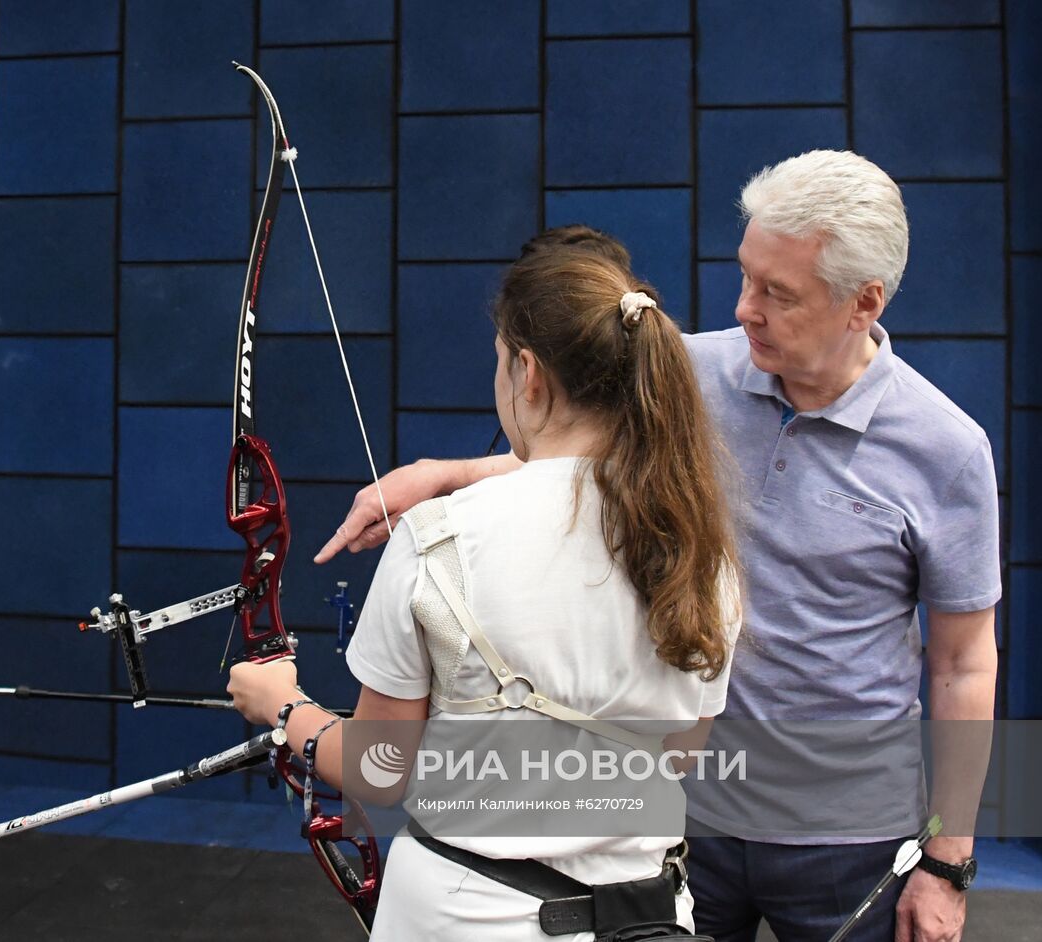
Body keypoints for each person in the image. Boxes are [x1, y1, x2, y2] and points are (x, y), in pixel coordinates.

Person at [313, 151, 1000, 942]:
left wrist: (948, 860)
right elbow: (579, 459)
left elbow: (962, 663)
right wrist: (442, 476)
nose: (745, 309)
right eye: (745, 276)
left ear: (863, 302)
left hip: (847, 835)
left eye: (778, 293)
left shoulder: (948, 450)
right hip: (680, 820)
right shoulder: (683, 372)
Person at [229, 244, 741, 940]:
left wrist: (283, 706)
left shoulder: (439, 537)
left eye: (501, 359)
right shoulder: (703, 549)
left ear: (527, 373)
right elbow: (678, 752)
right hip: (648, 916)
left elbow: (379, 772)